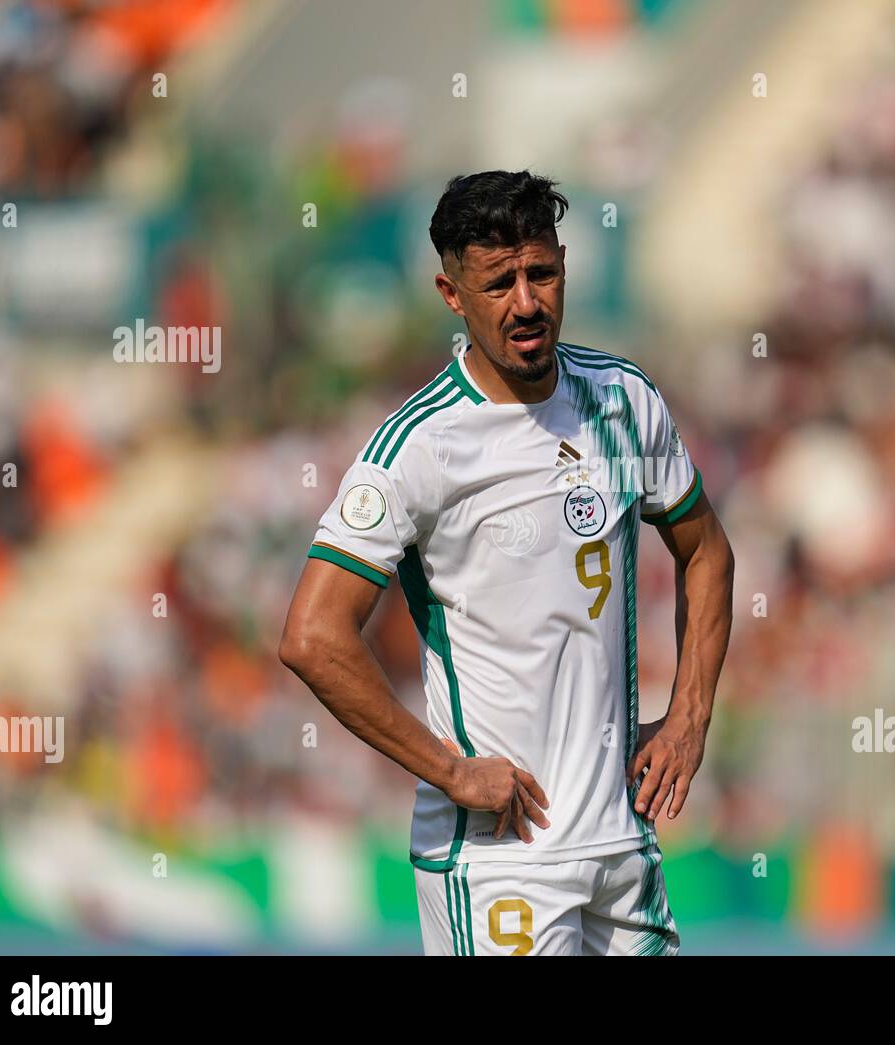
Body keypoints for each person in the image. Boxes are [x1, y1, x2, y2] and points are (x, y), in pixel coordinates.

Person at [279, 170, 734, 955]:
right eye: (498, 282)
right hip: (498, 862)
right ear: (452, 294)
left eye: (542, 273)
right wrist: (451, 772)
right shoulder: (420, 445)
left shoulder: (624, 401)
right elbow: (313, 636)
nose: (527, 302)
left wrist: (690, 715)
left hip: (620, 846)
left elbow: (707, 554)